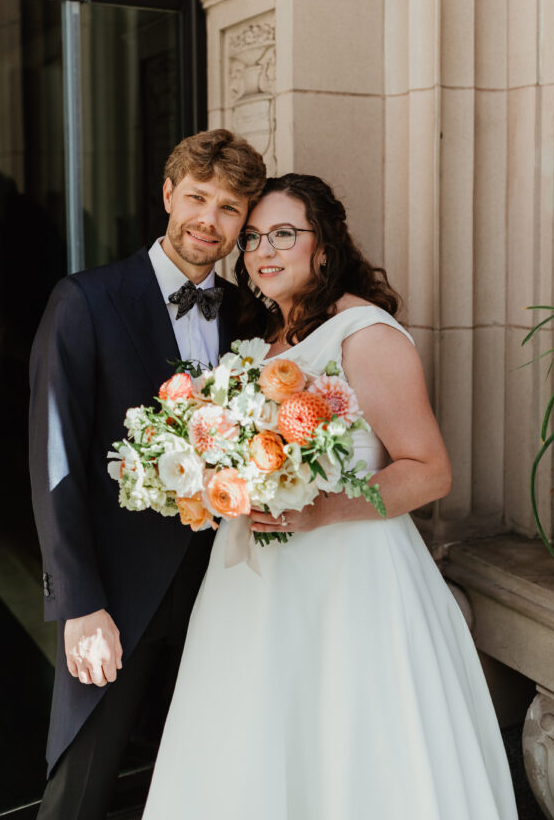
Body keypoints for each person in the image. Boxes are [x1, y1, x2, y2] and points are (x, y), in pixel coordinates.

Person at [142, 174, 519, 820]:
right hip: (254, 585)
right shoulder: (263, 341)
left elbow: (428, 471)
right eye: (254, 237)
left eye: (284, 234)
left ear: (324, 245)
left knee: (345, 747)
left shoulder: (363, 333)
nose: (263, 250)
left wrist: (320, 510)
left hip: (350, 582)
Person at [28, 129, 267, 820]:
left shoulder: (250, 317)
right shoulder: (85, 300)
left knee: (197, 780)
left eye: (228, 208)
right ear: (167, 194)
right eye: (196, 197)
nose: (208, 220)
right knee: (83, 785)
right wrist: (78, 601)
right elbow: (56, 459)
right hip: (118, 594)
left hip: (220, 590)